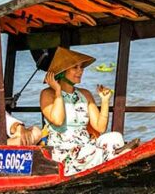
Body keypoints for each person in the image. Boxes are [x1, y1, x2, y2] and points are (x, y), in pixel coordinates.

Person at [39, 46, 134, 175]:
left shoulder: (85, 94)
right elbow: (58, 120)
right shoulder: (47, 94)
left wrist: (105, 101)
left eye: (81, 67)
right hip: (65, 152)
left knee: (115, 137)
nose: (80, 71)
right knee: (90, 152)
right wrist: (58, 91)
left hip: (87, 145)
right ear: (62, 71)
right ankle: (118, 157)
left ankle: (116, 157)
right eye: (75, 67)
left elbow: (100, 128)